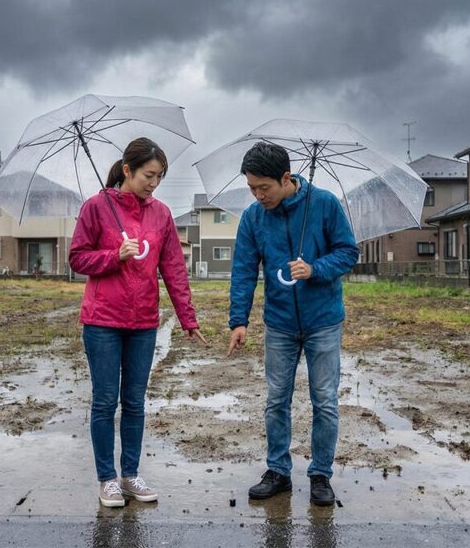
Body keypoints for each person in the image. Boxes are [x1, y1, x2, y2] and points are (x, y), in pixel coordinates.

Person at [70, 137, 207, 508]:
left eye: (160, 176)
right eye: (149, 174)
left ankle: (130, 474)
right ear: (127, 170)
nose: (154, 183)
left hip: (143, 321)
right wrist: (114, 255)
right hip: (102, 321)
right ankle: (107, 480)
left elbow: (174, 269)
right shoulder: (96, 208)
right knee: (104, 401)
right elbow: (77, 258)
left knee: (134, 402)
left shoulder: (161, 214)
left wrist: (187, 317)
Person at [226, 142, 359, 507]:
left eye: (263, 187)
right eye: (252, 188)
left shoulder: (325, 204)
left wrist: (316, 269)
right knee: (276, 401)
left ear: (286, 178)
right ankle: (278, 472)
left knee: (325, 401)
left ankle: (320, 475)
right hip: (280, 322)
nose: (258, 195)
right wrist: (239, 319)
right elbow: (242, 270)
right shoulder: (254, 217)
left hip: (323, 321)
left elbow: (349, 251)